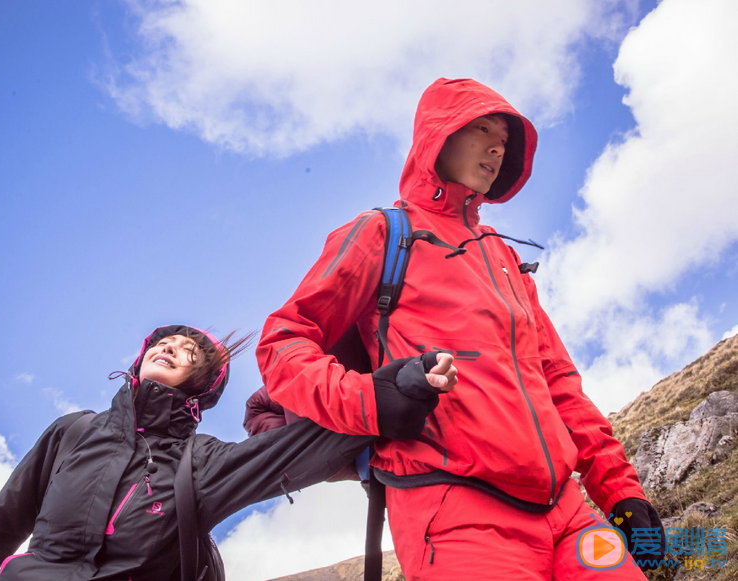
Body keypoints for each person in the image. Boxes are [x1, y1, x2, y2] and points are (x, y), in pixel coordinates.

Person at [256, 78, 666, 580]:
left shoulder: (504, 257)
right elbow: (283, 340)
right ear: (438, 136)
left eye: (505, 139)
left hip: (570, 514)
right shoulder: (383, 233)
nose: (497, 145)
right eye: (482, 127)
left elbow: (557, 379)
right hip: (456, 516)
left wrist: (618, 487)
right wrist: (371, 400)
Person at [0, 324, 444, 581]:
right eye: (165, 341)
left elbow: (296, 448)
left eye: (189, 351)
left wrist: (400, 385)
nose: (172, 347)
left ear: (200, 382)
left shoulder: (201, 461)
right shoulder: (71, 432)